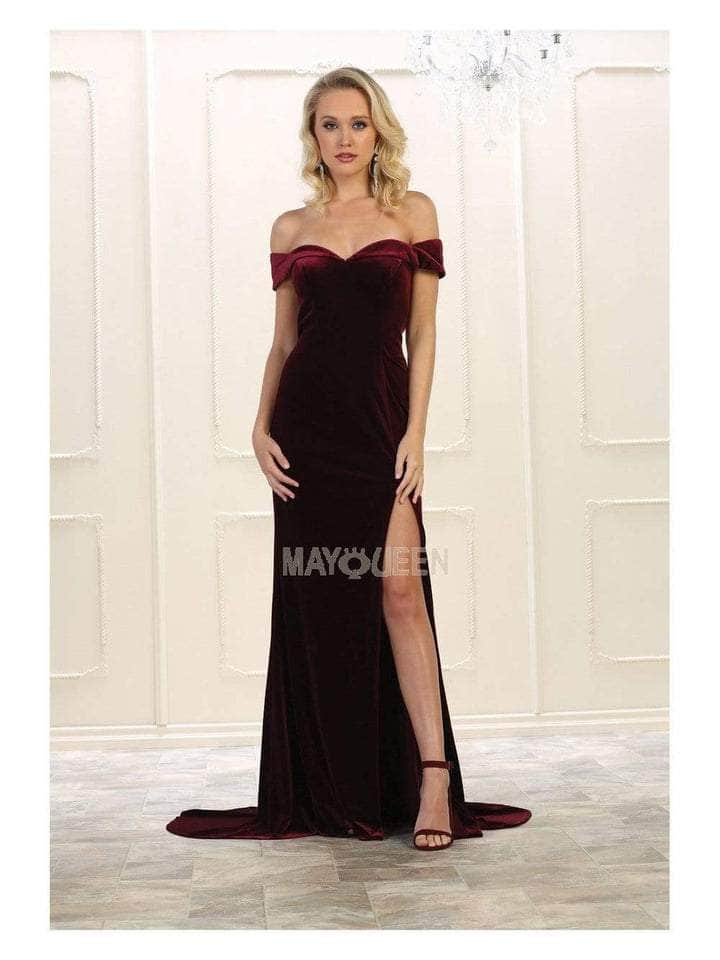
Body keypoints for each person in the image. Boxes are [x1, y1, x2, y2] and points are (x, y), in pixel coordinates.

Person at [166, 66, 531, 851]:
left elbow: (422, 334)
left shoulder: (412, 212)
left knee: (400, 591)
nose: (343, 138)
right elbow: (283, 343)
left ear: (378, 131)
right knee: (322, 603)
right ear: (313, 135)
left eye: (357, 123)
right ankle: (334, 784)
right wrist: (258, 426)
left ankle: (432, 777)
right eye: (329, 124)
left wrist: (416, 433)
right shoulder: (290, 228)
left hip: (381, 426)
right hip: (305, 435)